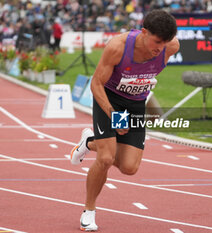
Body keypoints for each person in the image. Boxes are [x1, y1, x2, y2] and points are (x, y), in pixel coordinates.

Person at [70, 9, 179, 232]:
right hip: (109, 99)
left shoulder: (171, 47)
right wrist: (115, 116)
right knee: (107, 158)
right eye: (157, 41)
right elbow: (96, 84)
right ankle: (88, 211)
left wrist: (142, 87)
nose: (160, 48)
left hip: (137, 102)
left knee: (130, 168)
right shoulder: (118, 47)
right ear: (144, 32)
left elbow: (149, 73)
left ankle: (90, 141)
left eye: (165, 42)